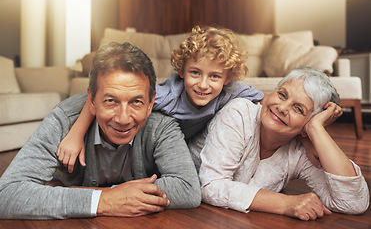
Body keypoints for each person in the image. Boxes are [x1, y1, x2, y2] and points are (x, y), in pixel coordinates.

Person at [0, 42, 201, 220]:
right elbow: (7, 194)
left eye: (136, 102)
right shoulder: (65, 119)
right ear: (92, 100)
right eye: (111, 101)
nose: (123, 119)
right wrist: (104, 200)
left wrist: (108, 193)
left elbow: (188, 189)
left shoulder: (161, 124)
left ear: (150, 103)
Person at [57, 25, 265, 173]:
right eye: (195, 73)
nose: (203, 84)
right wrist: (76, 134)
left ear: (227, 78)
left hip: (185, 150)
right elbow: (100, 98)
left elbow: (266, 101)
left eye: (214, 76)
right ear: (181, 71)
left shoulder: (230, 91)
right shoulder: (167, 96)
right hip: (141, 146)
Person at [188, 67, 369, 221]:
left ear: (306, 128)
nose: (282, 108)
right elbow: (211, 187)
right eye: (282, 95)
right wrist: (286, 203)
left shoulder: (300, 151)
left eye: (298, 108)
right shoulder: (239, 112)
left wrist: (316, 129)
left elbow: (353, 202)